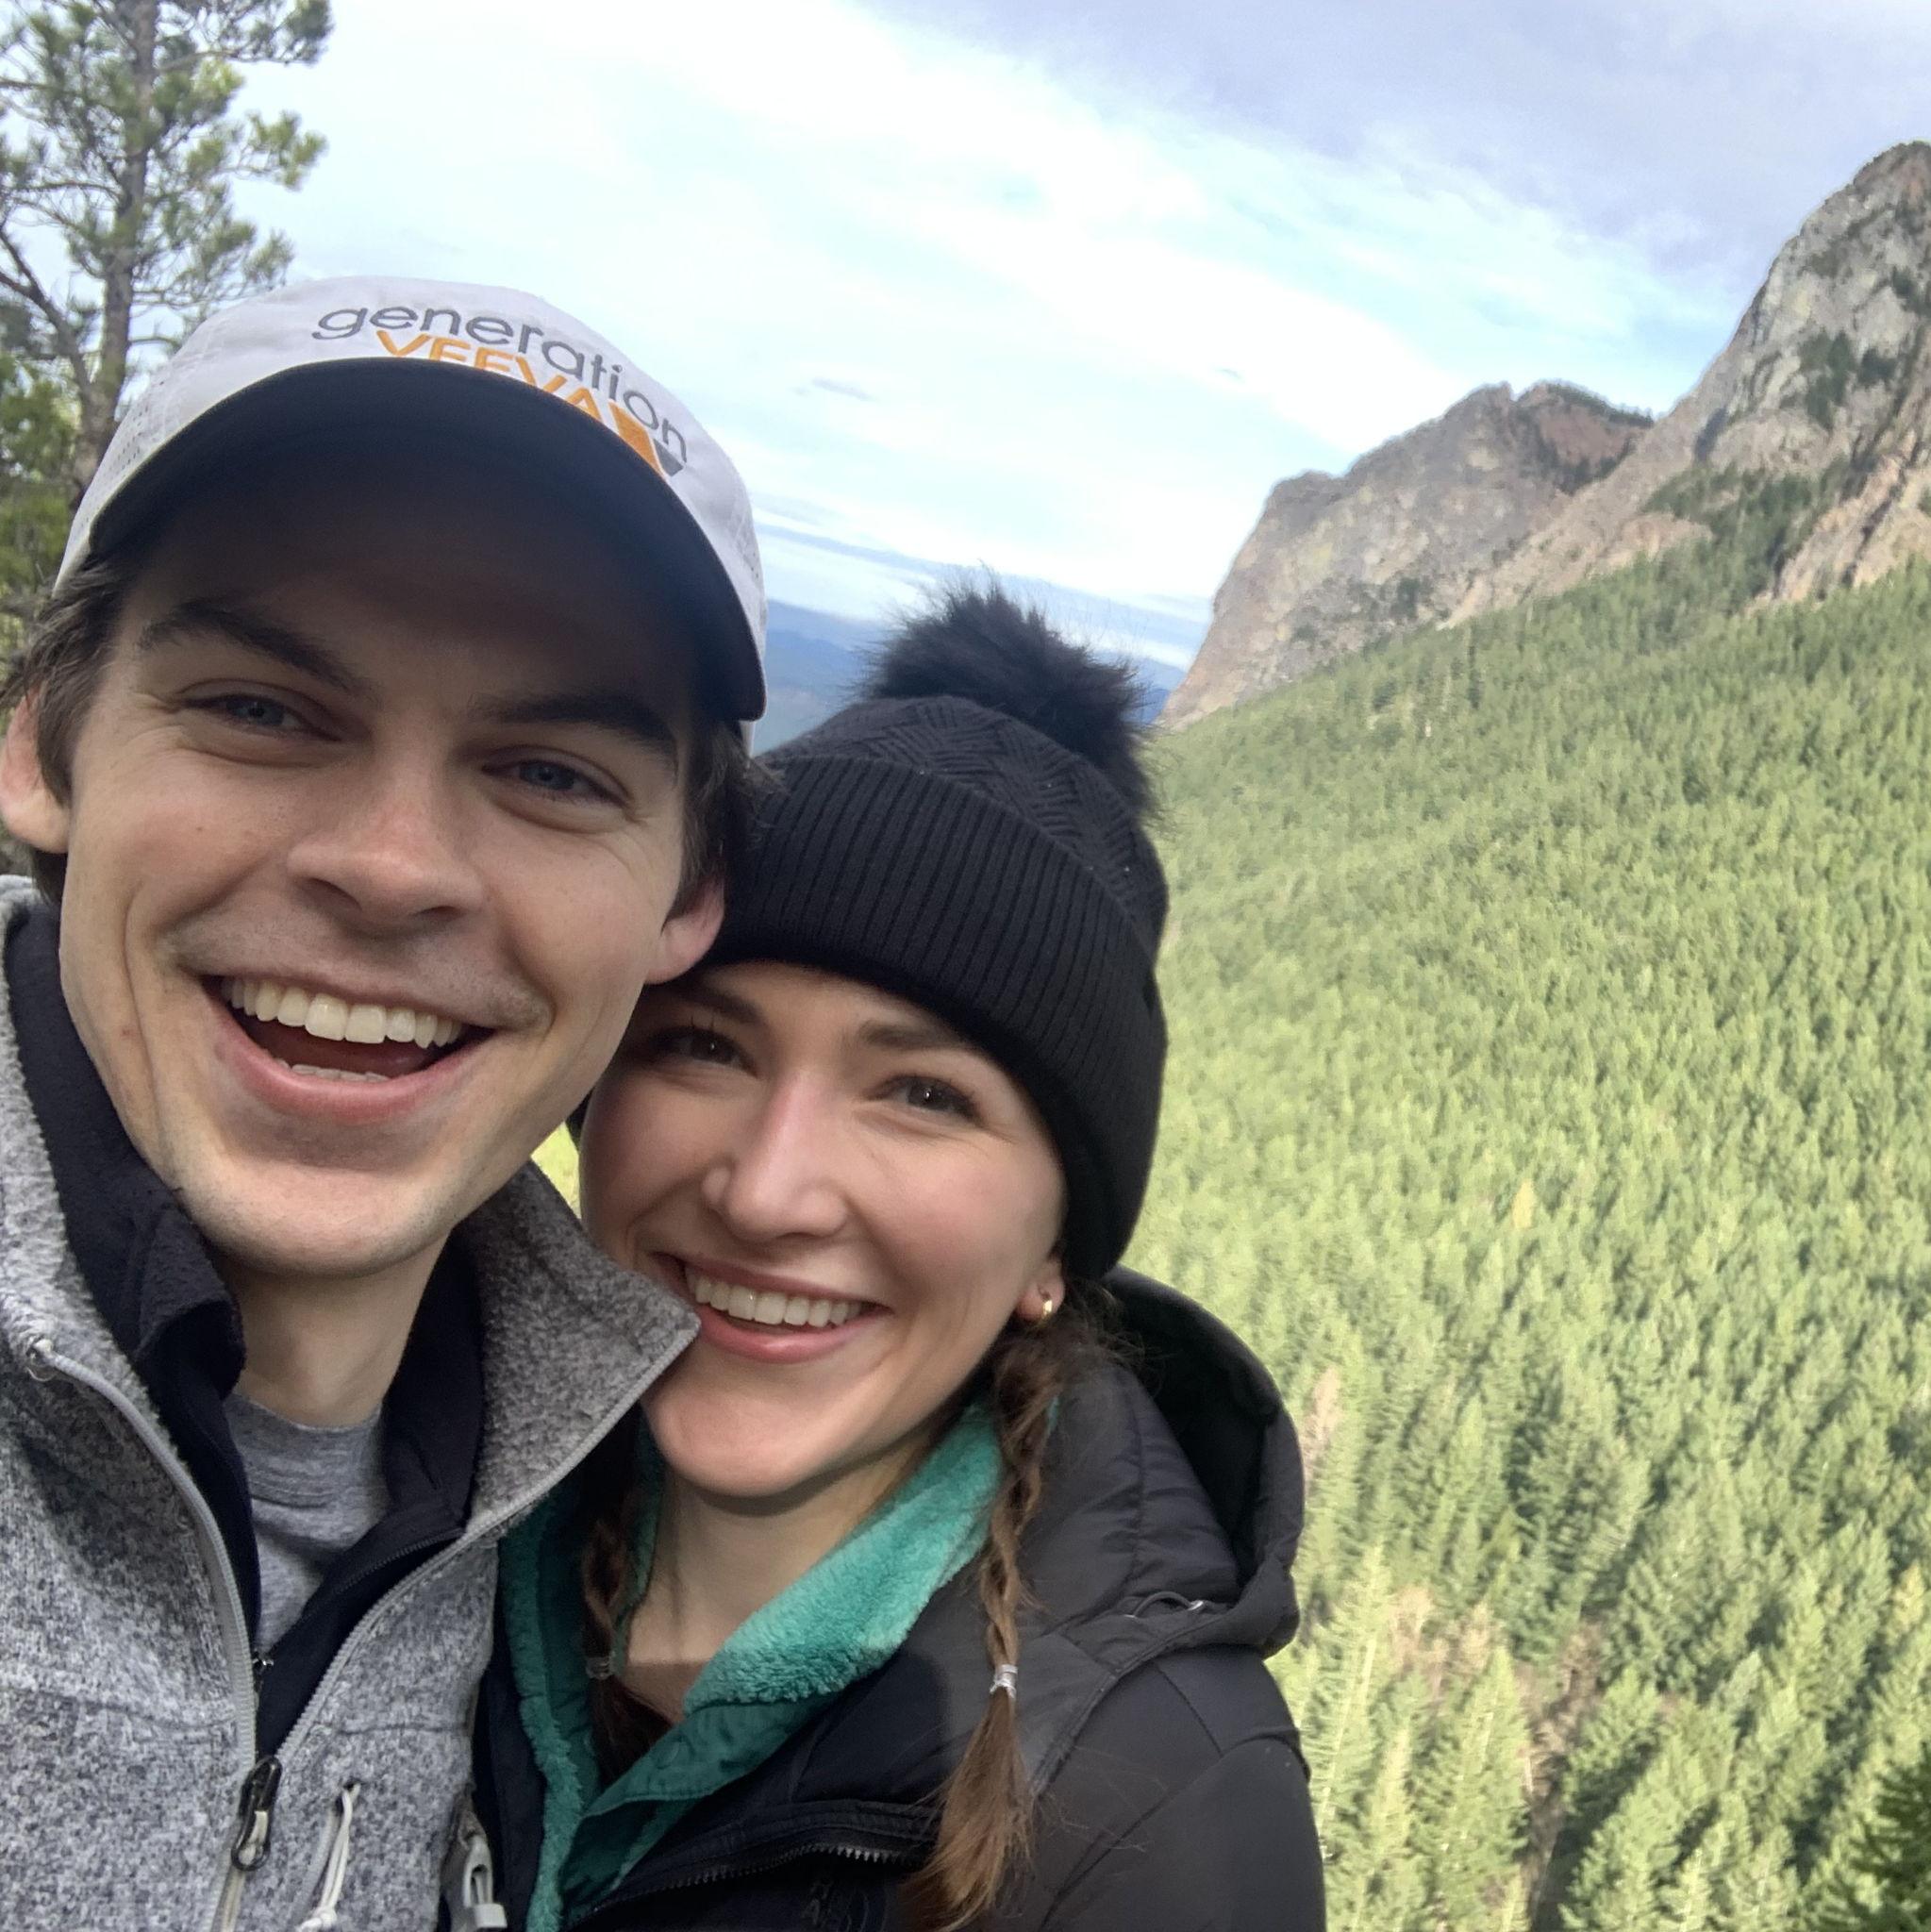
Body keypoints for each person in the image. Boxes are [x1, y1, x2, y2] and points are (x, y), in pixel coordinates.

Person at [0, 275, 767, 1931]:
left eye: (553, 774)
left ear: (683, 901)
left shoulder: (598, 1550)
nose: (393, 868)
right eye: (263, 712)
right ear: (43, 755)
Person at [476, 588, 1325, 1929]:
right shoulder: (411, 1514)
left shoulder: (1164, 1817)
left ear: (1056, 1247)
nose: (766, 1191)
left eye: (923, 1094)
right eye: (704, 1045)